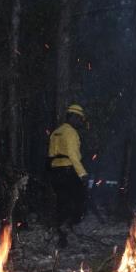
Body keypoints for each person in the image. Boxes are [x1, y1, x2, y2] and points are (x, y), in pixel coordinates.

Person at [48, 104, 89, 247]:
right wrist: (82, 174)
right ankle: (69, 224)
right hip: (69, 170)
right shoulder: (71, 132)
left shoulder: (55, 132)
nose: (80, 122)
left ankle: (62, 236)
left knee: (61, 202)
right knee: (79, 200)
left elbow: (50, 154)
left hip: (55, 171)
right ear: (73, 117)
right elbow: (73, 155)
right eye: (79, 119)